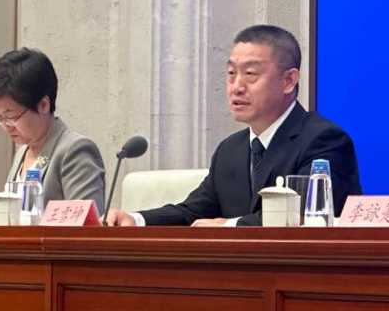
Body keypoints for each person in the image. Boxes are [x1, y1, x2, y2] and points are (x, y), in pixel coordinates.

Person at [106, 24, 362, 227]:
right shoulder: (230, 149)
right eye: (231, 74)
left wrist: (229, 226)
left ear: (288, 81)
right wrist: (136, 219)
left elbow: (302, 218)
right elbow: (194, 211)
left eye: (250, 74)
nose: (236, 86)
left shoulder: (324, 140)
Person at [0, 48, 106, 225]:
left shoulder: (75, 150)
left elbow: (87, 225)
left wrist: (7, 221)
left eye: (11, 116)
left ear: (43, 105)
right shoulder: (22, 152)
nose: (6, 126)